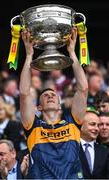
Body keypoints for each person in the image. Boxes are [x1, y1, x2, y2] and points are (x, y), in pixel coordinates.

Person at [19, 28, 88, 179]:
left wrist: (72, 53)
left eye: (54, 95)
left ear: (59, 105)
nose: (50, 96)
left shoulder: (73, 122)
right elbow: (24, 94)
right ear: (39, 107)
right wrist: (29, 55)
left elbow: (83, 89)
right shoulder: (33, 127)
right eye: (45, 95)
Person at [79, 111, 109, 179]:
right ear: (81, 126)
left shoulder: (105, 152)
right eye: (92, 124)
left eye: (98, 125)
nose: (97, 129)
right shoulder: (69, 148)